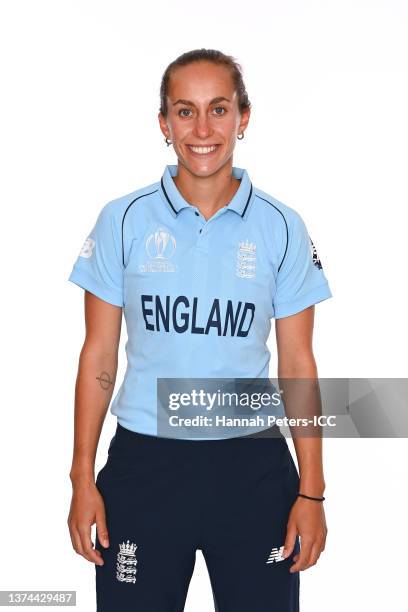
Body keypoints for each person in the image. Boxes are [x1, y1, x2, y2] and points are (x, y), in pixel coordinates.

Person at [67, 48, 332, 612]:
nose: (203, 129)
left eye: (219, 109)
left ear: (244, 117)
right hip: (145, 468)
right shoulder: (124, 220)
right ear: (164, 124)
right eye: (185, 112)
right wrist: (81, 478)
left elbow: (298, 366)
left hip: (252, 469)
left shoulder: (281, 227)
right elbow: (97, 357)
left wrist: (312, 490)